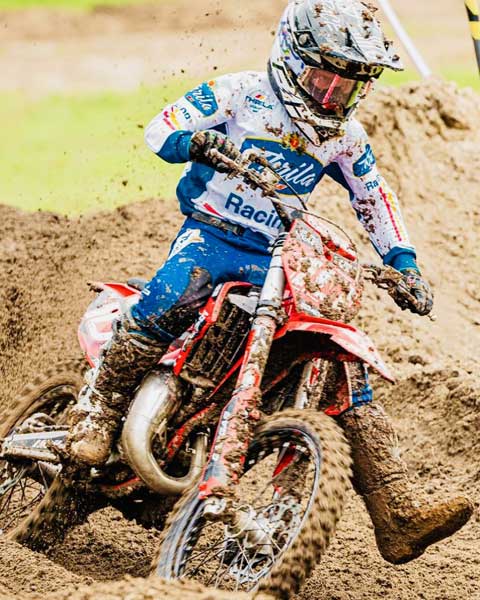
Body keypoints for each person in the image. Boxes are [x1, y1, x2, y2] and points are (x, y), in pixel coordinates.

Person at [67, 0, 472, 564]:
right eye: (324, 78)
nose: (332, 96)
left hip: (279, 255)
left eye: (349, 86)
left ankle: (395, 506)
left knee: (339, 362)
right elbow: (162, 127)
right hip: (212, 234)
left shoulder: (345, 136)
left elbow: (374, 196)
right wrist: (197, 143)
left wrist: (403, 262)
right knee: (172, 296)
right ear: (292, 57)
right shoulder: (241, 94)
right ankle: (101, 409)